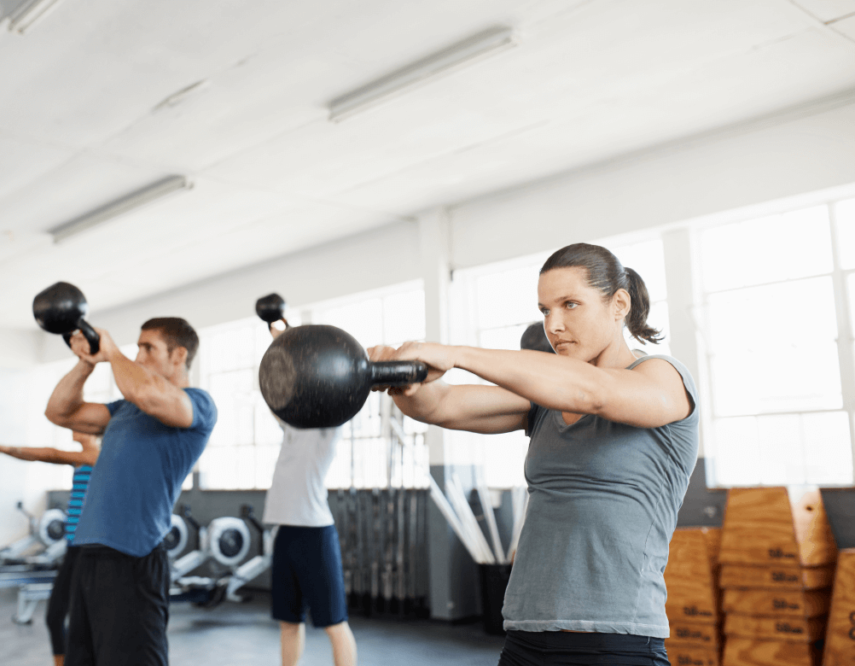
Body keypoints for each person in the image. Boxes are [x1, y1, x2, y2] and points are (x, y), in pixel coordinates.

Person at [368, 243, 697, 666]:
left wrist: (456, 354)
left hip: (616, 641)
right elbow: (440, 406)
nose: (553, 325)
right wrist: (399, 376)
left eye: (570, 305)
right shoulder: (544, 401)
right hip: (526, 636)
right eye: (545, 310)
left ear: (619, 304)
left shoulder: (662, 378)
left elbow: (592, 391)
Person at [44, 317, 217, 666]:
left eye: (147, 348)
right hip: (89, 553)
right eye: (136, 347)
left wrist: (112, 353)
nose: (138, 356)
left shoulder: (197, 403)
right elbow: (59, 412)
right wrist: (86, 363)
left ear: (179, 355)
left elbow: (149, 394)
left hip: (132, 555)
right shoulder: (124, 409)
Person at [263, 323, 357, 666]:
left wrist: (305, 351)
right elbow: (275, 389)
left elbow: (324, 380)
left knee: (334, 623)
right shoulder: (292, 422)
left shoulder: (329, 425)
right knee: (288, 622)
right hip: (285, 532)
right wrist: (281, 347)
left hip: (315, 533)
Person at [0, 431, 100, 666]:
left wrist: (6, 448)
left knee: (81, 622)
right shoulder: (81, 459)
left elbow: (50, 454)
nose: (71, 428)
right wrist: (6, 450)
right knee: (55, 616)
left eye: (77, 423)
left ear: (92, 428)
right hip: (73, 548)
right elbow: (46, 455)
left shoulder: (96, 456)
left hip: (88, 551)